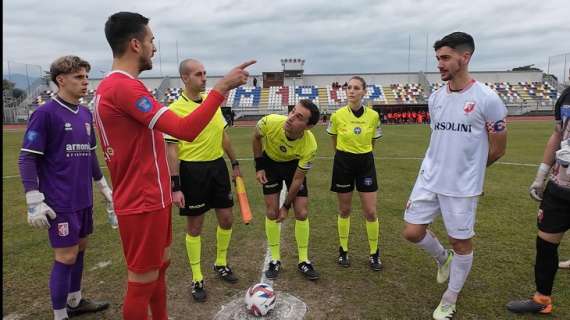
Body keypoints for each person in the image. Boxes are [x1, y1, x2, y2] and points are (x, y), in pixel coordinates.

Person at [95, 12, 254, 320]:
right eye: (151, 40)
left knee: (159, 270)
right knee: (141, 283)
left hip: (153, 196)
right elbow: (185, 131)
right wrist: (221, 89)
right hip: (141, 199)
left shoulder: (118, 86)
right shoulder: (123, 88)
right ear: (135, 44)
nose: (155, 47)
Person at [401, 32, 507, 320]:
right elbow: (439, 139)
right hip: (429, 177)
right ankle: (442, 258)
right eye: (438, 58)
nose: (440, 64)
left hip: (461, 186)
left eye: (445, 57)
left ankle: (450, 297)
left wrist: (468, 173)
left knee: (460, 242)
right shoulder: (435, 98)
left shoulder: (487, 99)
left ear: (465, 57)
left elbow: (498, 149)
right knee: (412, 232)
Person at [18, 55, 113, 320]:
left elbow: (90, 153)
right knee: (66, 256)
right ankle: (60, 315)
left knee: (80, 248)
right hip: (59, 201)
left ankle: (75, 301)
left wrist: (104, 187)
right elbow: (27, 157)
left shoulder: (84, 113)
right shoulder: (44, 113)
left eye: (86, 77)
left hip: (83, 199)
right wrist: (33, 199)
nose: (85, 82)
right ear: (61, 80)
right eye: (78, 77)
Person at [165, 58, 242, 302]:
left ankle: (221, 263)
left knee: (227, 219)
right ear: (185, 79)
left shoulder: (213, 104)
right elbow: (172, 150)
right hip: (192, 172)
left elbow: (223, 137)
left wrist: (235, 163)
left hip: (217, 168)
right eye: (198, 74)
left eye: (205, 73)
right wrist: (176, 185)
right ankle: (197, 276)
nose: (204, 78)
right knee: (195, 226)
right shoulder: (174, 110)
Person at [506, 86, 570, 315]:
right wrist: (540, 176)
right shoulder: (566, 95)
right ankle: (542, 299)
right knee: (545, 244)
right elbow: (557, 134)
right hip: (561, 187)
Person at [252, 99, 321, 281]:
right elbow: (256, 136)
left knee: (302, 212)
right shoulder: (270, 122)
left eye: (299, 117)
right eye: (292, 112)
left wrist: (287, 206)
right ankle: (275, 259)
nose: (291, 118)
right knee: (272, 212)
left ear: (308, 126)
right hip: (271, 164)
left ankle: (303, 260)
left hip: (293, 168)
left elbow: (298, 179)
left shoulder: (310, 145)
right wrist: (259, 166)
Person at [326, 76, 383, 271]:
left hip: (366, 163)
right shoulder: (337, 115)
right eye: (349, 88)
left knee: (370, 211)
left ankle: (374, 253)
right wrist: (342, 156)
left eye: (356, 88)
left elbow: (373, 142)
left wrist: (363, 153)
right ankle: (343, 250)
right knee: (344, 210)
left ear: (364, 91)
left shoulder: (373, 116)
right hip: (343, 163)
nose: (351, 91)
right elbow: (333, 139)